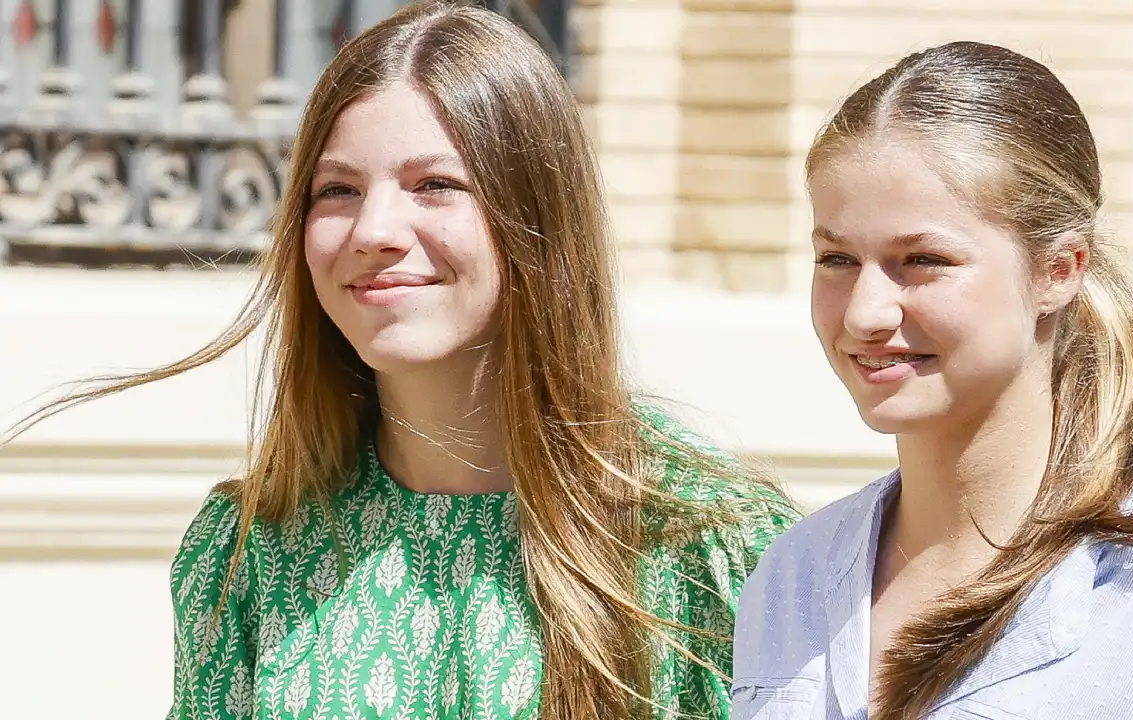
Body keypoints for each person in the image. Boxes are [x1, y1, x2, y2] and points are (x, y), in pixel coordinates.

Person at [6, 2, 800, 718]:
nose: (374, 229)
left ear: (537, 220)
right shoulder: (250, 553)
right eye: (338, 191)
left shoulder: (709, 544)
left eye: (435, 185)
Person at [729, 41, 1133, 720]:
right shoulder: (793, 575)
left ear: (1059, 270)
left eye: (923, 259)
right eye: (836, 257)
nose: (866, 312)